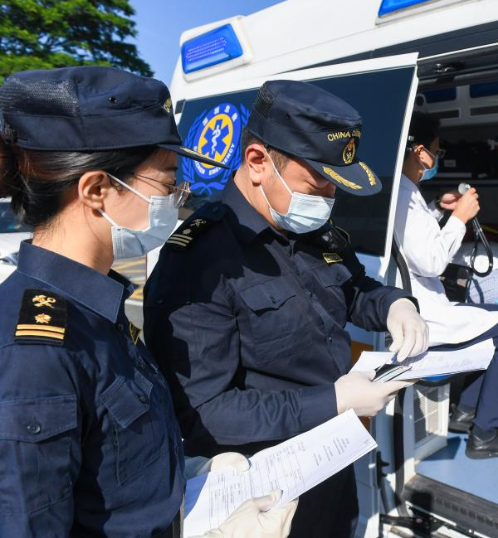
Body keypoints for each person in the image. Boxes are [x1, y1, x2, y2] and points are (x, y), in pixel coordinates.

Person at [0, 66, 296, 537]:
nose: (177, 200)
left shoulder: (96, 306)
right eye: (167, 183)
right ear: (97, 190)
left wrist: (182, 484)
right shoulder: (36, 354)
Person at [144, 80, 428, 537]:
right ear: (258, 162)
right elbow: (204, 412)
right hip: (265, 495)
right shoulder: (200, 260)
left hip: (332, 456)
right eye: (319, 184)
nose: (329, 201)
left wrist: (395, 305)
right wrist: (333, 400)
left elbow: (353, 289)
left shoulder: (311, 230)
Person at [394, 112, 498, 459]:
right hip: (420, 315)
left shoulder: (402, 192)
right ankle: (486, 434)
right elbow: (429, 261)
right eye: (438, 152)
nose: (437, 160)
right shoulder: (402, 194)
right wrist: (459, 219)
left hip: (420, 306)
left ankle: (467, 413)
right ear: (421, 152)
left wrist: (439, 211)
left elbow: (414, 235)